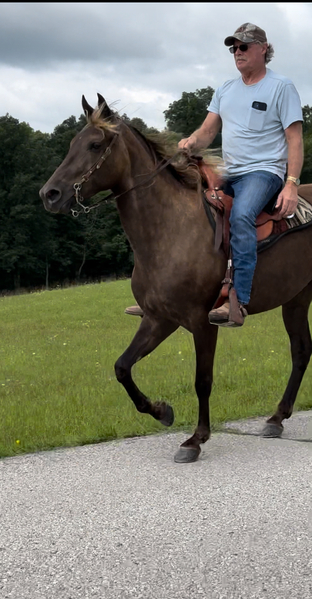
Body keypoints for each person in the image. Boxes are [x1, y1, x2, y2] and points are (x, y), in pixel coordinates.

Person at [125, 22, 304, 325]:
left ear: (263, 48)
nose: (238, 52)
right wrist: (192, 141)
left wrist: (291, 184)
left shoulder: (281, 86)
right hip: (228, 172)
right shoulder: (225, 89)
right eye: (234, 47)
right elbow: (208, 130)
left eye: (244, 46)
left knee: (242, 215)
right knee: (180, 209)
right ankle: (164, 294)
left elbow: (294, 139)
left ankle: (240, 299)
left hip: (263, 172)